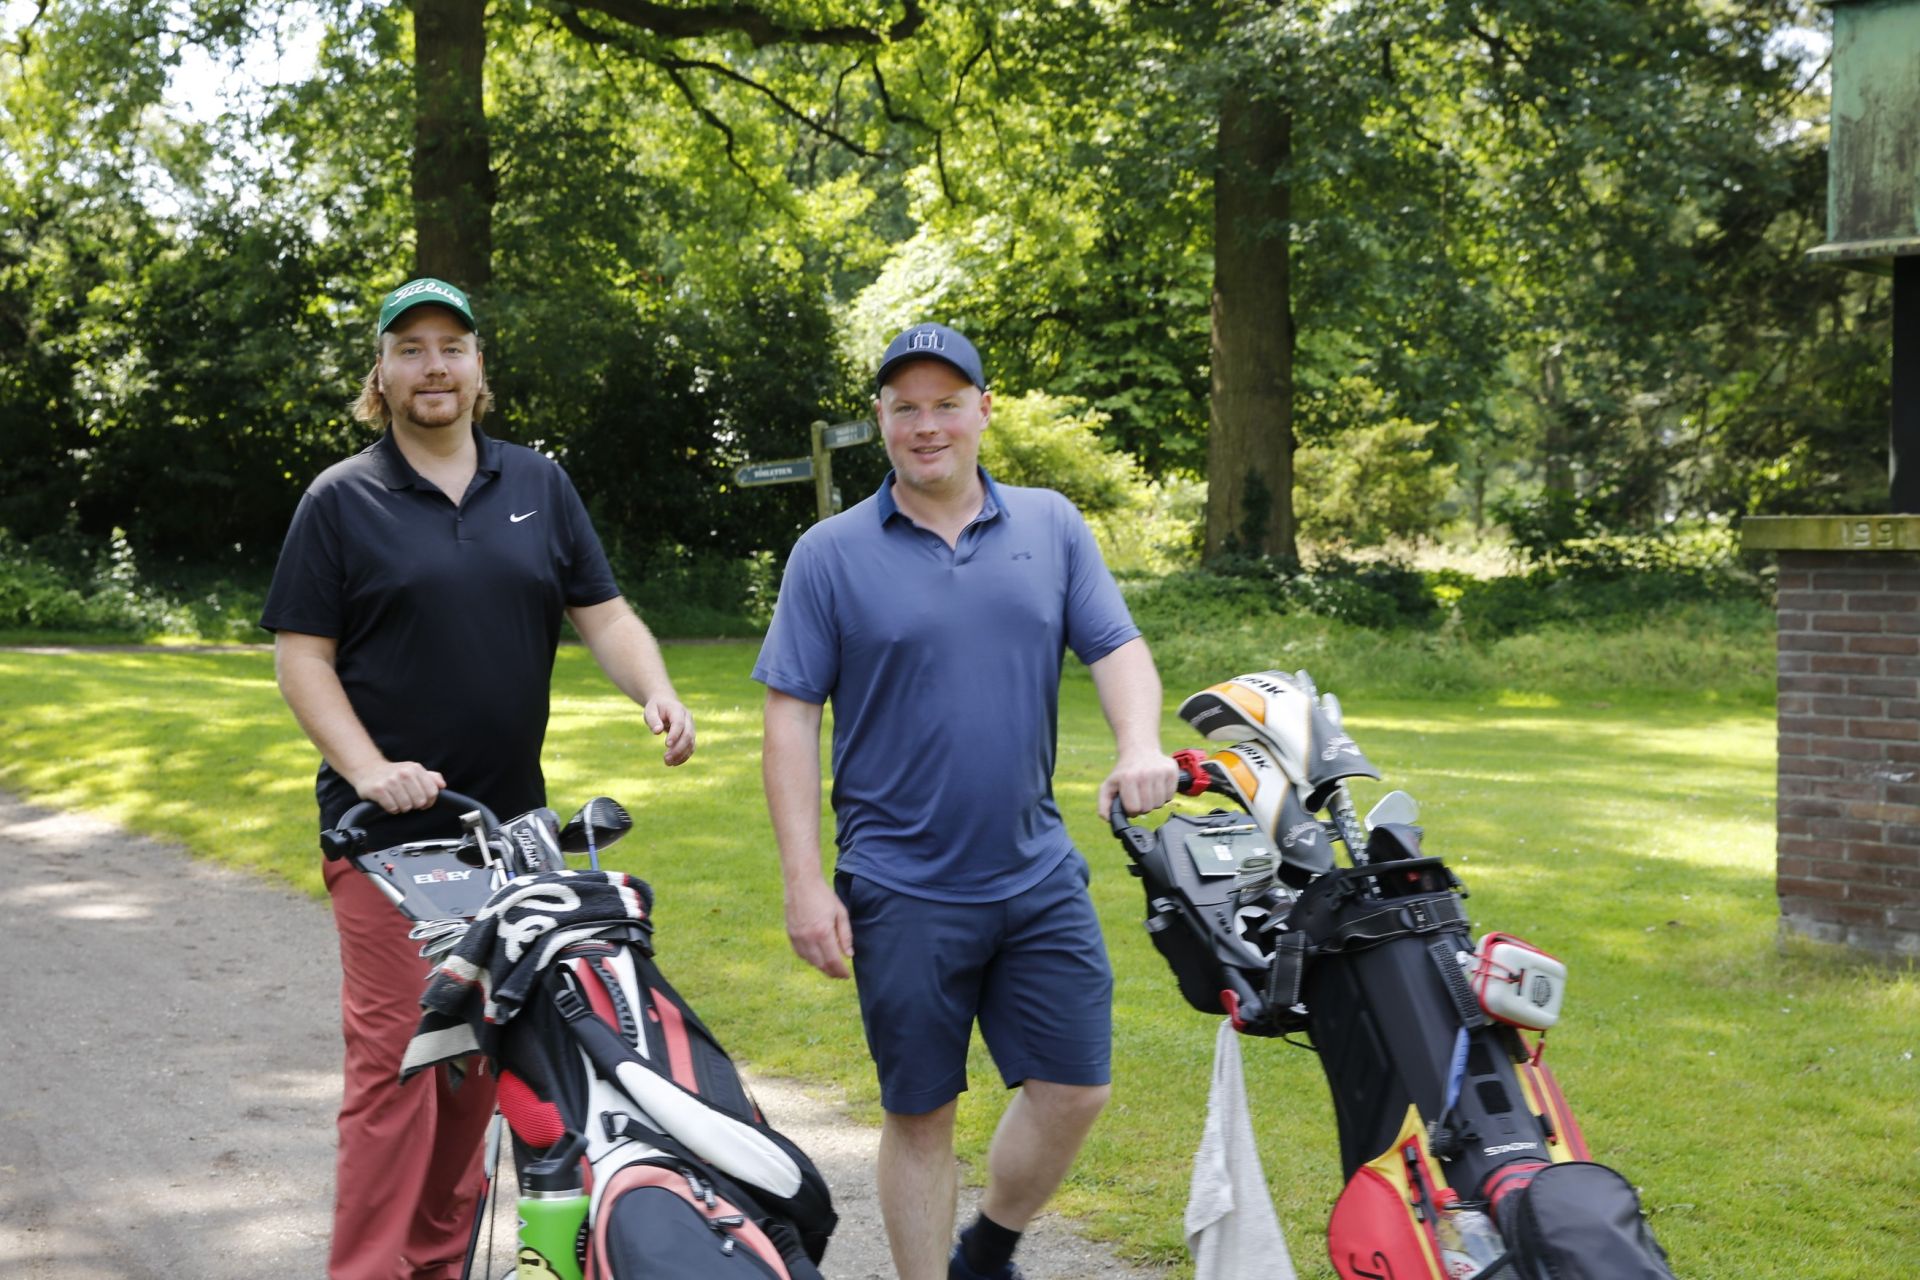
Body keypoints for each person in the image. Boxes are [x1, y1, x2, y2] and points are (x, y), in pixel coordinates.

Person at [260, 277, 694, 1280]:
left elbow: (604, 614)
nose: (434, 366)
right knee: (399, 1070)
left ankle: (435, 1262)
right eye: (409, 348)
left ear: (479, 365)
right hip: (384, 843)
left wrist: (656, 689)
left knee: (473, 1068)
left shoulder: (538, 483)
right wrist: (370, 770)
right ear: (381, 372)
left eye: (451, 346)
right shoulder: (341, 499)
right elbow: (302, 658)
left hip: (506, 841)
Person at [754, 322, 1178, 1280]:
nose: (927, 425)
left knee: (1075, 1087)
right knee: (921, 1115)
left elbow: (1115, 647)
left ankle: (986, 1251)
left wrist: (1140, 745)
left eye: (947, 404)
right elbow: (790, 719)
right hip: (900, 887)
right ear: (881, 419)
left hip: (1036, 871)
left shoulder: (1051, 525)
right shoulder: (829, 553)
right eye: (905, 407)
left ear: (984, 411)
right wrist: (804, 882)